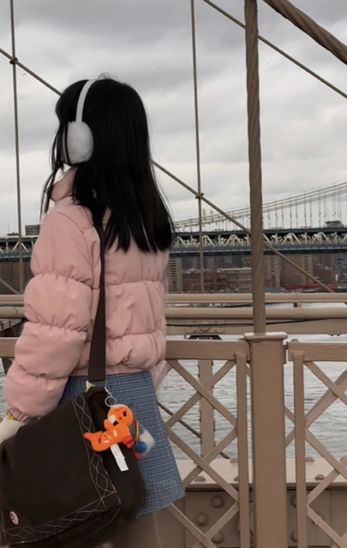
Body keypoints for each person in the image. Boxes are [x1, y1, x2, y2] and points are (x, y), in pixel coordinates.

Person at [0, 76, 184, 547]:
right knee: (146, 519)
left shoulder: (69, 220)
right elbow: (151, 319)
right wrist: (137, 380)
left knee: (67, 520)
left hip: (84, 399)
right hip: (133, 398)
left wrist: (19, 413)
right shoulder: (145, 221)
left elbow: (55, 331)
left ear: (81, 138)